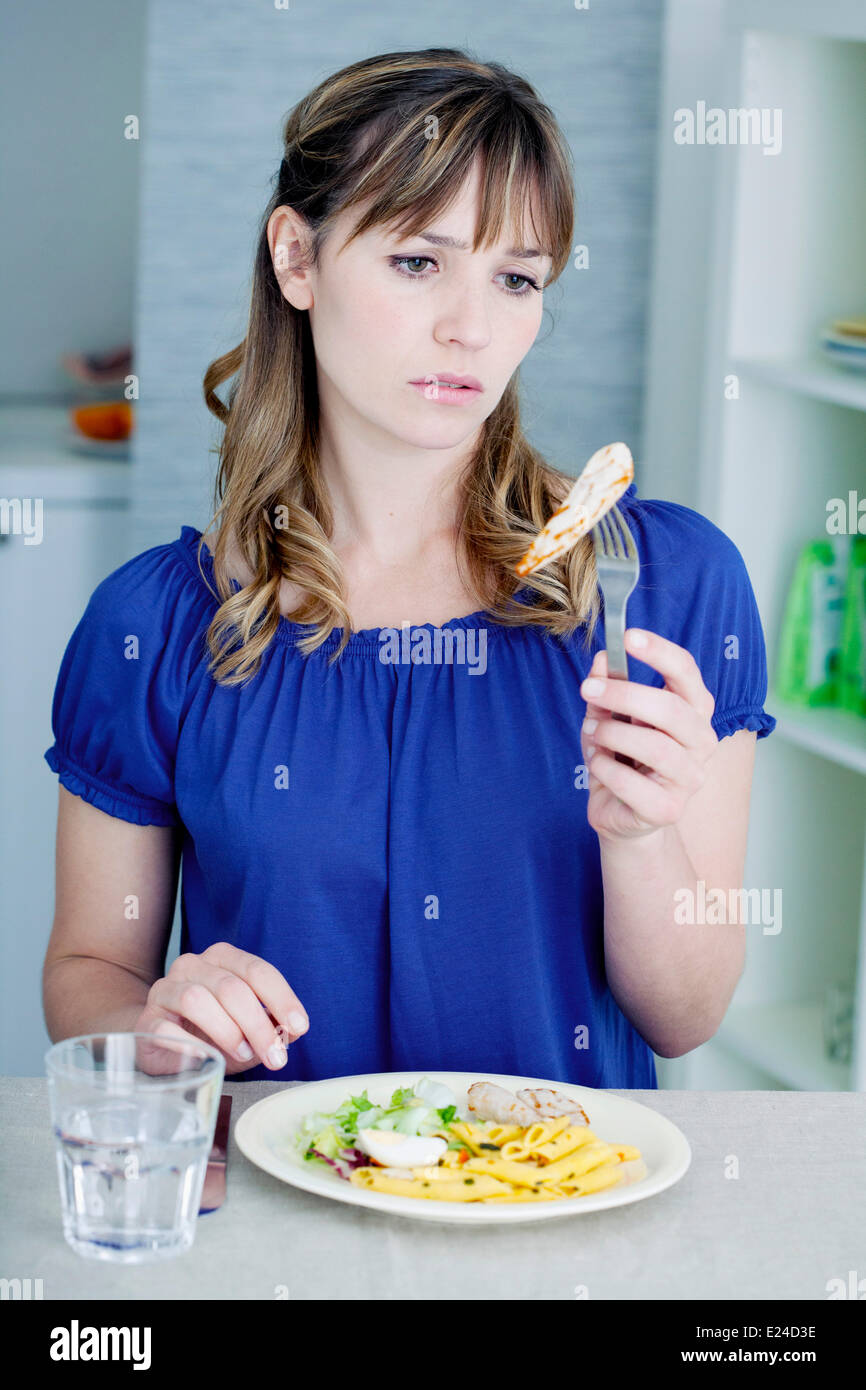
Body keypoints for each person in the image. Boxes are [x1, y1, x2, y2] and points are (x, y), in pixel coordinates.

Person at [42, 48, 775, 1087]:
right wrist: (156, 1021)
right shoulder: (151, 628)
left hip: (557, 1223)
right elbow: (87, 970)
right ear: (297, 259)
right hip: (270, 1225)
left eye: (514, 278)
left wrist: (642, 835)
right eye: (417, 261)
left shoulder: (664, 587)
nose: (470, 327)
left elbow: (685, 1017)